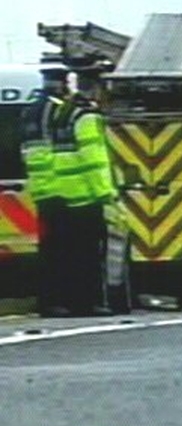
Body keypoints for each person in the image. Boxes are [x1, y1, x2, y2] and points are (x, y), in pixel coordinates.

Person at [51, 63, 117, 316]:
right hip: (86, 196)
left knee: (68, 254)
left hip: (64, 193)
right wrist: (105, 193)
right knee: (90, 256)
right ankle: (89, 303)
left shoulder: (64, 112)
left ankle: (70, 301)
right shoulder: (87, 116)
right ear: (97, 89)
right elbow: (94, 159)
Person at [20, 60, 70, 317]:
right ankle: (57, 301)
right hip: (60, 190)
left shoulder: (31, 110)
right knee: (62, 252)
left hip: (40, 190)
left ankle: (48, 301)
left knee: (48, 249)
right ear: (62, 83)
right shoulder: (57, 110)